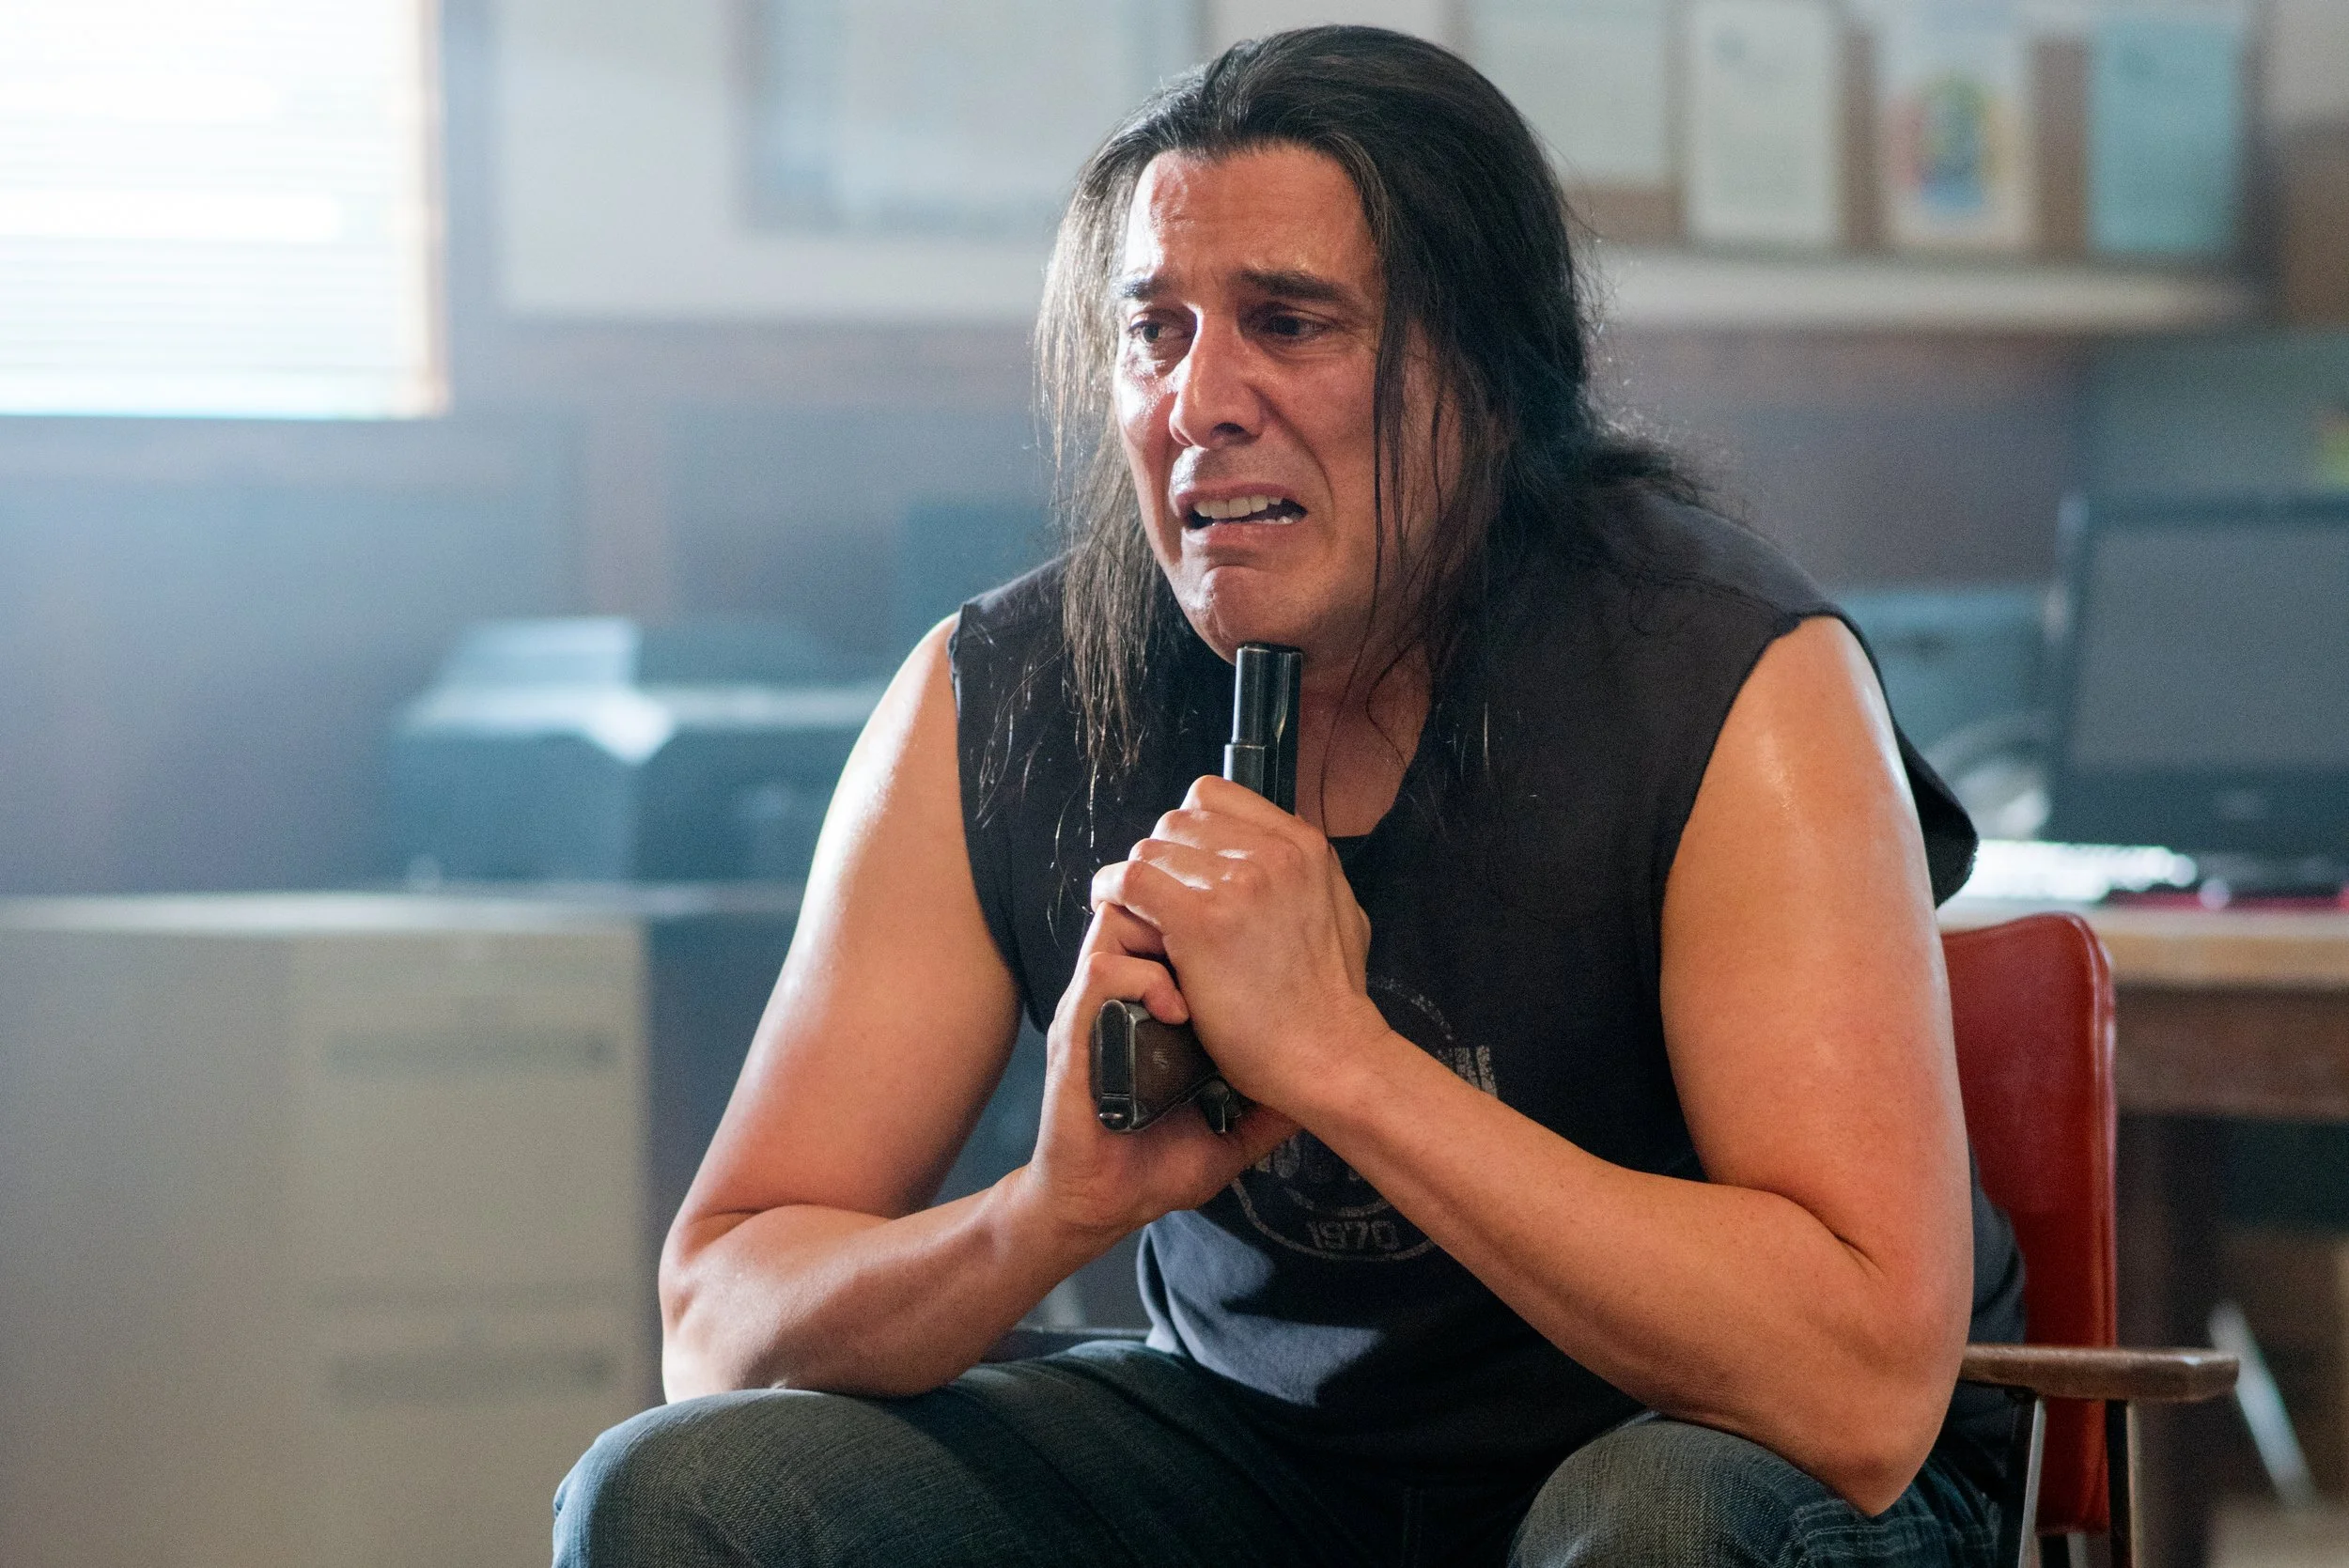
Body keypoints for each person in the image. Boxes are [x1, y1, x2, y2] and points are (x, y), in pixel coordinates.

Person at [553, 25, 2023, 1567]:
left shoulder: (1725, 673)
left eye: (1289, 322)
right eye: (1155, 332)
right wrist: (1050, 1212)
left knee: (1648, 1528)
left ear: (1487, 375)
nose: (1200, 399)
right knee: (682, 1495)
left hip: (1713, 1461)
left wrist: (1342, 1064)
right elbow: (718, 1322)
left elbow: (1859, 1391)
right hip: (1263, 1455)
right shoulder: (1003, 697)